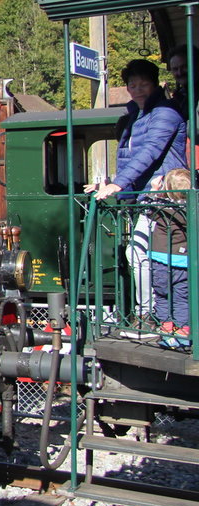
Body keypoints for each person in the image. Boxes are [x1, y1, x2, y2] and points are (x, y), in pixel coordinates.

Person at [89, 60, 187, 321]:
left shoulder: (165, 112)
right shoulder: (136, 116)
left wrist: (118, 184)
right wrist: (109, 182)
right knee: (144, 255)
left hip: (165, 196)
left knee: (145, 255)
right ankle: (155, 313)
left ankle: (151, 314)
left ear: (155, 84)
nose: (138, 89)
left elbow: (150, 152)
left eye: (143, 84)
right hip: (146, 197)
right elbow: (130, 160)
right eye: (133, 85)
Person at [148, 168, 192, 350]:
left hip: (161, 260)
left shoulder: (162, 208)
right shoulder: (191, 209)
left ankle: (167, 332)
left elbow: (146, 207)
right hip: (183, 262)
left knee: (163, 296)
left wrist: (154, 190)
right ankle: (182, 334)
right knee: (182, 298)